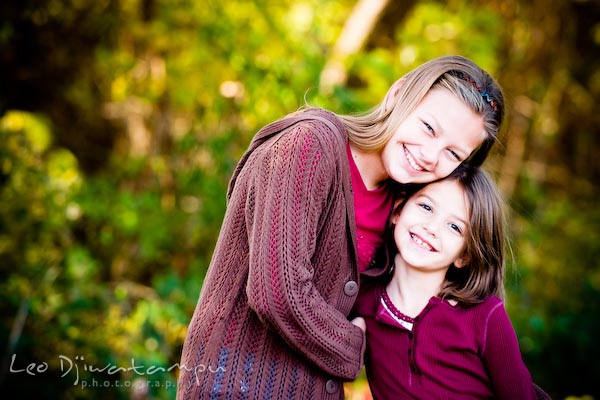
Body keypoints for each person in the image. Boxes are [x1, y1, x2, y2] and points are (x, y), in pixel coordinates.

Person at [176, 55, 505, 399]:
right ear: (398, 94)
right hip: (234, 386)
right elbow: (277, 292)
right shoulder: (308, 145)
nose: (430, 155)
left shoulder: (405, 208)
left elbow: (405, 311)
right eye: (428, 128)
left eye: (453, 154)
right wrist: (353, 347)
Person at [352, 166, 540, 399]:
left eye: (454, 227)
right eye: (426, 207)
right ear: (398, 210)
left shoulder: (485, 316)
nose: (431, 228)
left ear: (465, 255)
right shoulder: (362, 299)